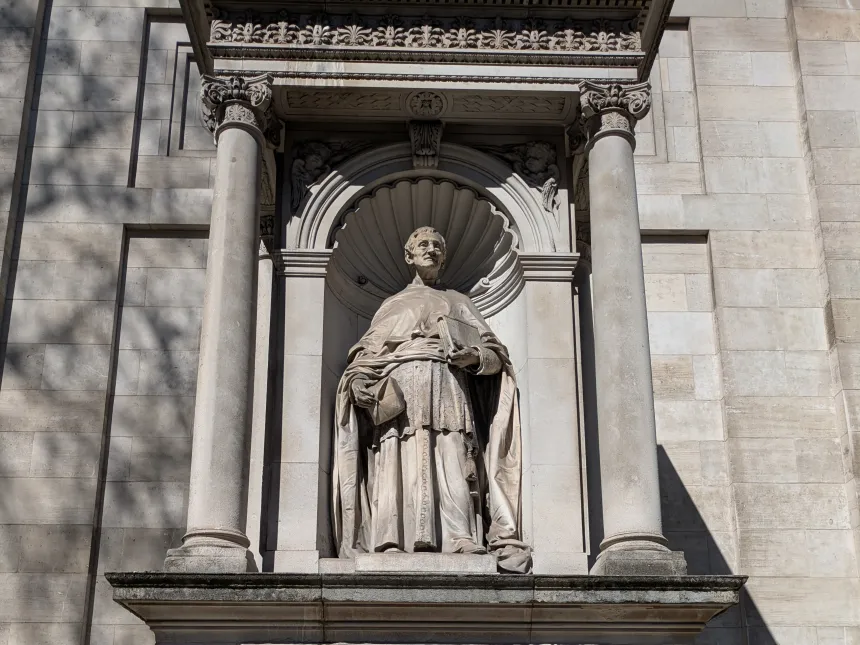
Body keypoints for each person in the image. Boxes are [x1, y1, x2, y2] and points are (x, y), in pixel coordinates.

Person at [332, 226, 531, 573]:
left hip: (448, 383)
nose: (431, 249)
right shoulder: (392, 305)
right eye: (423, 244)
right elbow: (365, 356)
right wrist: (361, 381)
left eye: (437, 245)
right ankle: (389, 538)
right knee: (396, 457)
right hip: (399, 389)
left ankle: (461, 538)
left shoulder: (459, 302)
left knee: (454, 455)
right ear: (409, 255)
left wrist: (475, 357)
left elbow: (497, 356)